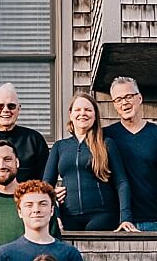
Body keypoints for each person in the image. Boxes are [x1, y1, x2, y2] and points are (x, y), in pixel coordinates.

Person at [44, 93, 131, 232]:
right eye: (78, 110)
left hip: (103, 216)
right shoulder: (59, 147)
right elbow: (46, 184)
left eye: (88, 110)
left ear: (95, 115)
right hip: (68, 217)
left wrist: (126, 217)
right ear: (71, 114)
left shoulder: (106, 144)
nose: (82, 113)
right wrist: (56, 215)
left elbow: (121, 182)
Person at [104, 77, 157, 231]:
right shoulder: (106, 136)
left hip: (154, 219)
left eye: (129, 96)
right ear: (114, 105)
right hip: (115, 222)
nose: (124, 102)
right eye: (119, 99)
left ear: (140, 98)